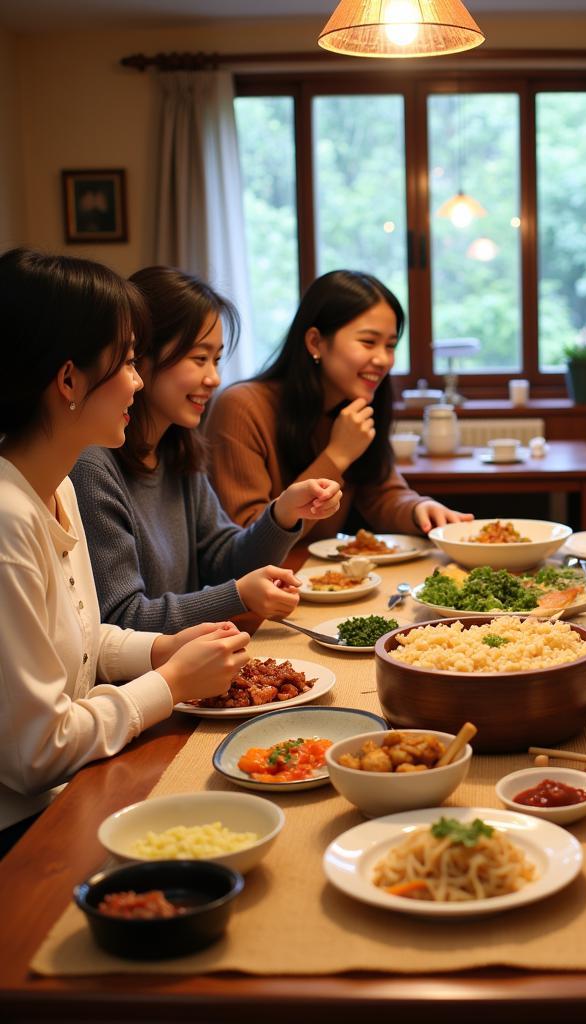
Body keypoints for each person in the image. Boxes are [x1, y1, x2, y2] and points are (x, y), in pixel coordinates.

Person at [0, 249, 251, 854]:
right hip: (25, 828)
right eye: (129, 363)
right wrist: (169, 681)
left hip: (76, 785)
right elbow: (38, 752)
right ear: (68, 381)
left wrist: (164, 647)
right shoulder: (9, 522)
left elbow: (89, 638)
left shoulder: (54, 484)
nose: (138, 382)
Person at [70, 267, 341, 632]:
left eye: (216, 360)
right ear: (141, 357)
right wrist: (238, 596)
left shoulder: (175, 450)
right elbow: (122, 619)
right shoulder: (92, 465)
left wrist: (284, 513)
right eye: (199, 359)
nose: (214, 378)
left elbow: (225, 560)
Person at [205, 270, 470, 541]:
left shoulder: (356, 406)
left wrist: (418, 509)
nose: (383, 360)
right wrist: (338, 455)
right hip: (265, 580)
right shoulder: (242, 407)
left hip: (322, 578)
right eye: (368, 342)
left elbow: (381, 492)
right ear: (315, 342)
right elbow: (247, 539)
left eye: (390, 345)